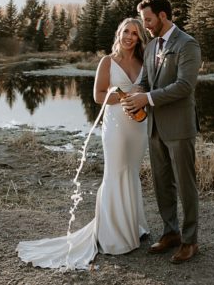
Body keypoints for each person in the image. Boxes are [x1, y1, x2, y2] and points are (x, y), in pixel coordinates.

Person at [16, 18, 151, 269]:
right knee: (115, 173)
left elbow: (149, 91)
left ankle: (134, 226)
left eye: (135, 33)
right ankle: (114, 236)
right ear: (118, 34)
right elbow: (98, 96)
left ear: (140, 38)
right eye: (125, 32)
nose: (129, 37)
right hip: (117, 126)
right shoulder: (107, 62)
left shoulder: (144, 62)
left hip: (139, 126)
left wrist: (141, 99)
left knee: (131, 172)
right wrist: (121, 97)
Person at [121, 0, 202, 264]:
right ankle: (171, 233)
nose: (146, 26)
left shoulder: (187, 45)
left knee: (185, 185)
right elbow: (144, 80)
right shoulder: (152, 45)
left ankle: (190, 241)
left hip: (179, 127)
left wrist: (149, 98)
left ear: (163, 16)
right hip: (154, 127)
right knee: (161, 184)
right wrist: (134, 98)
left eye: (148, 20)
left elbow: (184, 86)